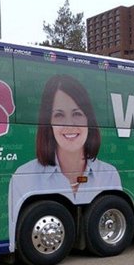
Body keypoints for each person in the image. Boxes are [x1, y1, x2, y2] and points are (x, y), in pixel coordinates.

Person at [8, 74, 122, 249]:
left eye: (77, 114)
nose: (69, 124)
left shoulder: (109, 174)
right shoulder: (23, 177)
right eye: (59, 115)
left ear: (88, 119)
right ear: (49, 123)